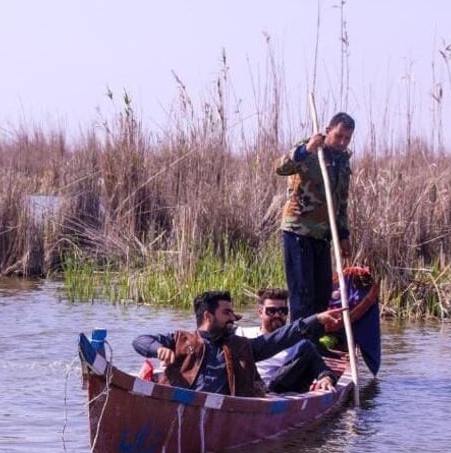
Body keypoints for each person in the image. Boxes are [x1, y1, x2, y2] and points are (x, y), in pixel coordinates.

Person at [133, 290, 342, 397]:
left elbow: (279, 338)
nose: (233, 318)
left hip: (222, 410)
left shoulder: (241, 347)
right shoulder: (180, 339)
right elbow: (140, 341)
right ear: (208, 316)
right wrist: (158, 349)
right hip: (181, 403)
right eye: (227, 312)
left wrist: (316, 320)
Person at [275, 111, 355, 322]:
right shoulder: (310, 149)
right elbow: (281, 167)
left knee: (322, 294)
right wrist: (306, 149)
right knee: (303, 294)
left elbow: (341, 203)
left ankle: (315, 343)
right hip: (299, 229)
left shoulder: (343, 162)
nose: (342, 142)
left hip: (323, 234)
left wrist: (343, 234)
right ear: (328, 131)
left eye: (347, 138)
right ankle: (299, 344)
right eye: (338, 136)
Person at [235, 287, 337, 392]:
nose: (277, 315)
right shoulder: (242, 334)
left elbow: (321, 367)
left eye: (283, 311)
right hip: (247, 388)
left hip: (277, 391)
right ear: (260, 312)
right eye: (271, 311)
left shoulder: (299, 344)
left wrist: (326, 378)